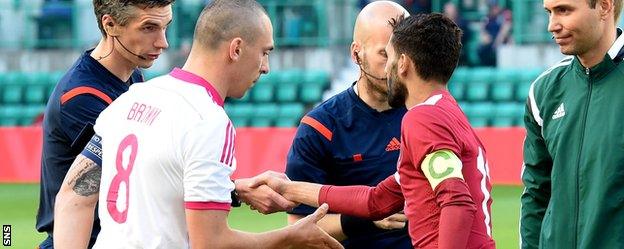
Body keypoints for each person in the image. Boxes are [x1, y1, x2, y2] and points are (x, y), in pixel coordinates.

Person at [53, 0, 343, 248]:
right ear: (237, 49)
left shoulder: (133, 98)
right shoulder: (208, 120)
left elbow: (75, 193)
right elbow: (211, 243)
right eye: (265, 52)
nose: (266, 67)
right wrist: (289, 236)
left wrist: (234, 189)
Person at [251, 13, 496, 249]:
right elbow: (376, 201)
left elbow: (456, 200)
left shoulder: (422, 118)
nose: (387, 66)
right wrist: (288, 189)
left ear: (402, 63)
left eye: (388, 56)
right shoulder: (447, 112)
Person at [36, 1, 173, 248]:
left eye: (165, 27)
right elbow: (145, 175)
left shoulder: (132, 74)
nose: (163, 42)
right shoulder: (82, 96)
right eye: (149, 28)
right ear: (109, 25)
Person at [285, 1, 412, 248]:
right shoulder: (319, 128)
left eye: (403, 55)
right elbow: (298, 227)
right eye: (385, 54)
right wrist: (367, 217)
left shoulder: (424, 114)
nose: (396, 66)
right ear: (356, 53)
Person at [520, 0, 624, 248]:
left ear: (604, 7)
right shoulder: (544, 90)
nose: (552, 25)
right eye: (549, 12)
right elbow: (536, 194)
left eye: (564, 10)